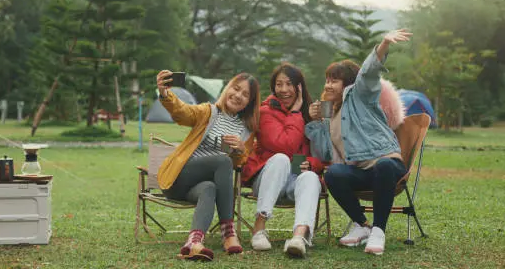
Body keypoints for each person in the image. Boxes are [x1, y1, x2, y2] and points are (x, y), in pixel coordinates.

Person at [305, 29, 412, 255]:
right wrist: (316, 121)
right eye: (326, 80)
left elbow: (368, 73)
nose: (327, 86)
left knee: (382, 165)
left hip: (388, 164)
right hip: (363, 173)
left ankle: (378, 231)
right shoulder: (332, 115)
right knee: (333, 174)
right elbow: (325, 154)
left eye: (334, 81)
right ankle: (363, 226)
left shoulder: (360, 95)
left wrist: (383, 44)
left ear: (348, 84)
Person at [156, 70, 260, 261]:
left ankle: (194, 243)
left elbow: (236, 165)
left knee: (210, 188)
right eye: (236, 89)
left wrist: (239, 151)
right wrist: (165, 94)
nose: (238, 96)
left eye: (245, 95)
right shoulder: (208, 112)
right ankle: (228, 232)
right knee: (222, 160)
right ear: (227, 88)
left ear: (249, 103)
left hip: (197, 188)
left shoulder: (246, 131)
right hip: (179, 178)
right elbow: (182, 113)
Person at [241, 63, 324, 258]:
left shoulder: (309, 114)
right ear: (273, 87)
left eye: (289, 84)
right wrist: (296, 113)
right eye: (279, 84)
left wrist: (311, 163)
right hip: (266, 181)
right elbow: (284, 146)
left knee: (311, 177)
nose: (284, 90)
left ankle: (299, 237)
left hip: (294, 181)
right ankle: (259, 228)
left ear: (299, 87)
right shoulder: (265, 112)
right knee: (280, 159)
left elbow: (324, 155)